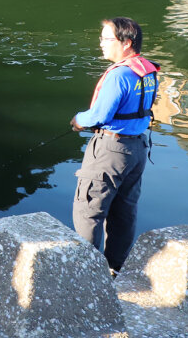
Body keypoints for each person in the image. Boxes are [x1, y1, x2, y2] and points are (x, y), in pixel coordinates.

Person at [71, 17, 158, 273]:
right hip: (138, 149)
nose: (101, 44)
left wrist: (78, 120)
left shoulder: (119, 75)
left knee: (89, 211)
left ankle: (85, 274)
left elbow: (100, 116)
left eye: (106, 39)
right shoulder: (147, 70)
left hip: (111, 151)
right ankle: (115, 269)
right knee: (124, 211)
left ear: (127, 43)